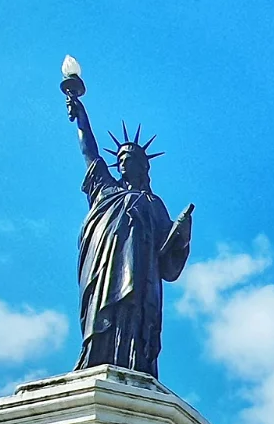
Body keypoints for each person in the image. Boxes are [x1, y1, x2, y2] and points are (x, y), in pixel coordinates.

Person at [66, 94, 193, 376]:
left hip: (141, 271)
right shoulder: (104, 189)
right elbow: (90, 153)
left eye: (130, 157)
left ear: (143, 166)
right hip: (102, 264)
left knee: (136, 312)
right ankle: (94, 356)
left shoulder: (153, 204)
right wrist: (81, 117)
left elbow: (167, 251)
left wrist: (182, 233)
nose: (123, 162)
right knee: (100, 312)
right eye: (120, 158)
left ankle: (133, 362)